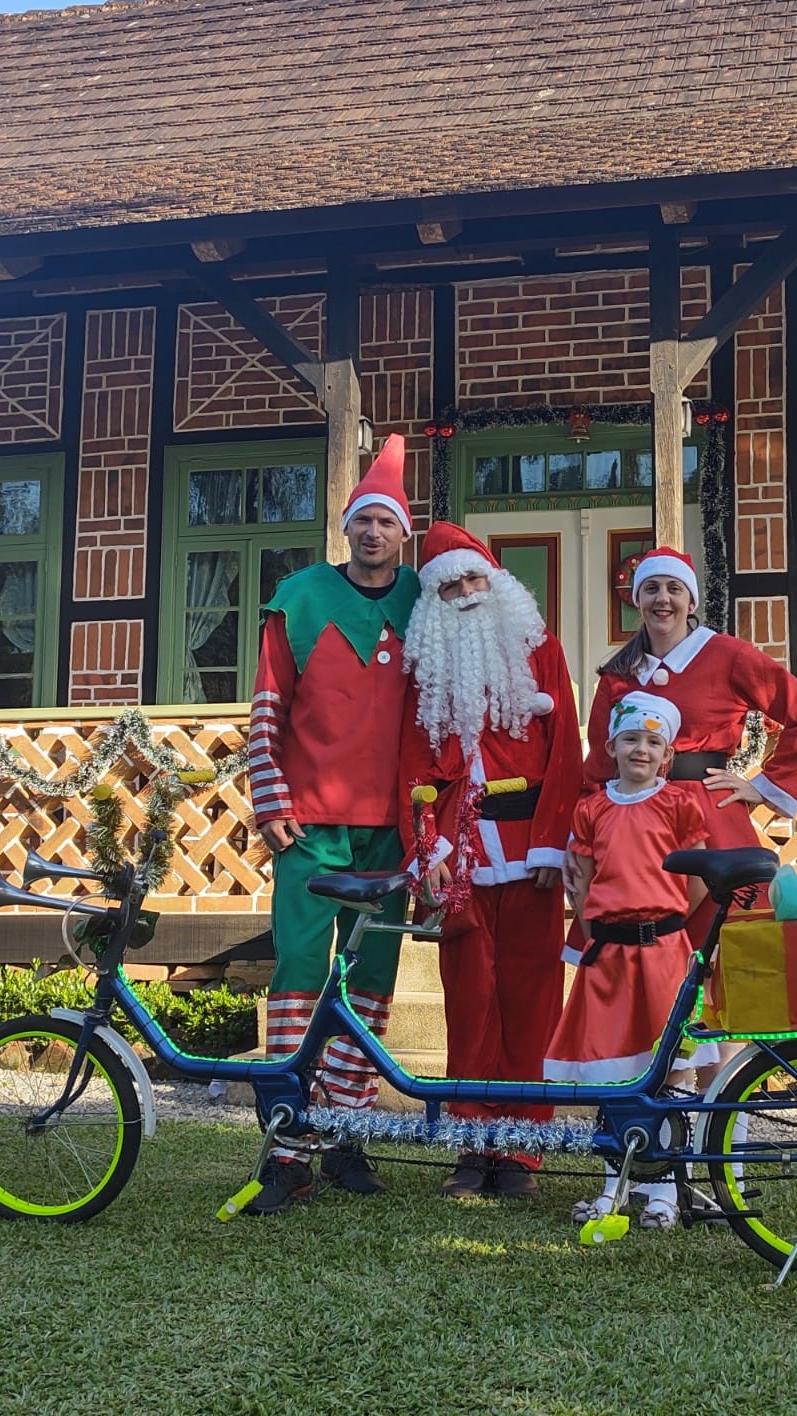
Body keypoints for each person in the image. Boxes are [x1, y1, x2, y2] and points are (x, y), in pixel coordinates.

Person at [246, 434, 419, 1213]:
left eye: (387, 522)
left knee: (371, 983)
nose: (374, 532)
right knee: (299, 974)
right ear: (347, 528)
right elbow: (266, 706)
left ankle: (346, 1132)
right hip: (310, 823)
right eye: (363, 520)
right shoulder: (301, 598)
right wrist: (270, 797)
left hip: (392, 827)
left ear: (404, 534)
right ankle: (289, 1146)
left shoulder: (425, 601)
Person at [399, 521, 583, 1200]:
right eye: (451, 587)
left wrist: (554, 843)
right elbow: (410, 768)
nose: (468, 593)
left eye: (475, 578)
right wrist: (427, 850)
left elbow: (566, 754)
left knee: (532, 998)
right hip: (462, 853)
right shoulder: (426, 672)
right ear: (434, 601)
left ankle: (522, 1150)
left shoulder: (542, 649)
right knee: (469, 997)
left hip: (532, 852)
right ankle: (471, 1147)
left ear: (498, 582)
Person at [582, 546, 797, 918]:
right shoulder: (619, 673)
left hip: (708, 816)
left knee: (723, 933)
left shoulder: (729, 656)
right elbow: (600, 766)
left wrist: (765, 786)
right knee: (636, 933)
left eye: (674, 588)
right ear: (638, 600)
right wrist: (583, 835)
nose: (662, 598)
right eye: (651, 588)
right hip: (632, 822)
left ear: (690, 601)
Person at [545, 692, 715, 1230]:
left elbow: (696, 881)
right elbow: (582, 882)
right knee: (612, 1073)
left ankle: (665, 1188)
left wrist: (663, 923)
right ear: (611, 747)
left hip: (663, 955)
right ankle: (613, 1185)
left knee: (670, 1071)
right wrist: (600, 931)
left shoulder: (679, 803)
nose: (641, 749)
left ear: (667, 755)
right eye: (631, 739)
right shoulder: (592, 809)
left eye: (652, 742)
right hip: (609, 961)